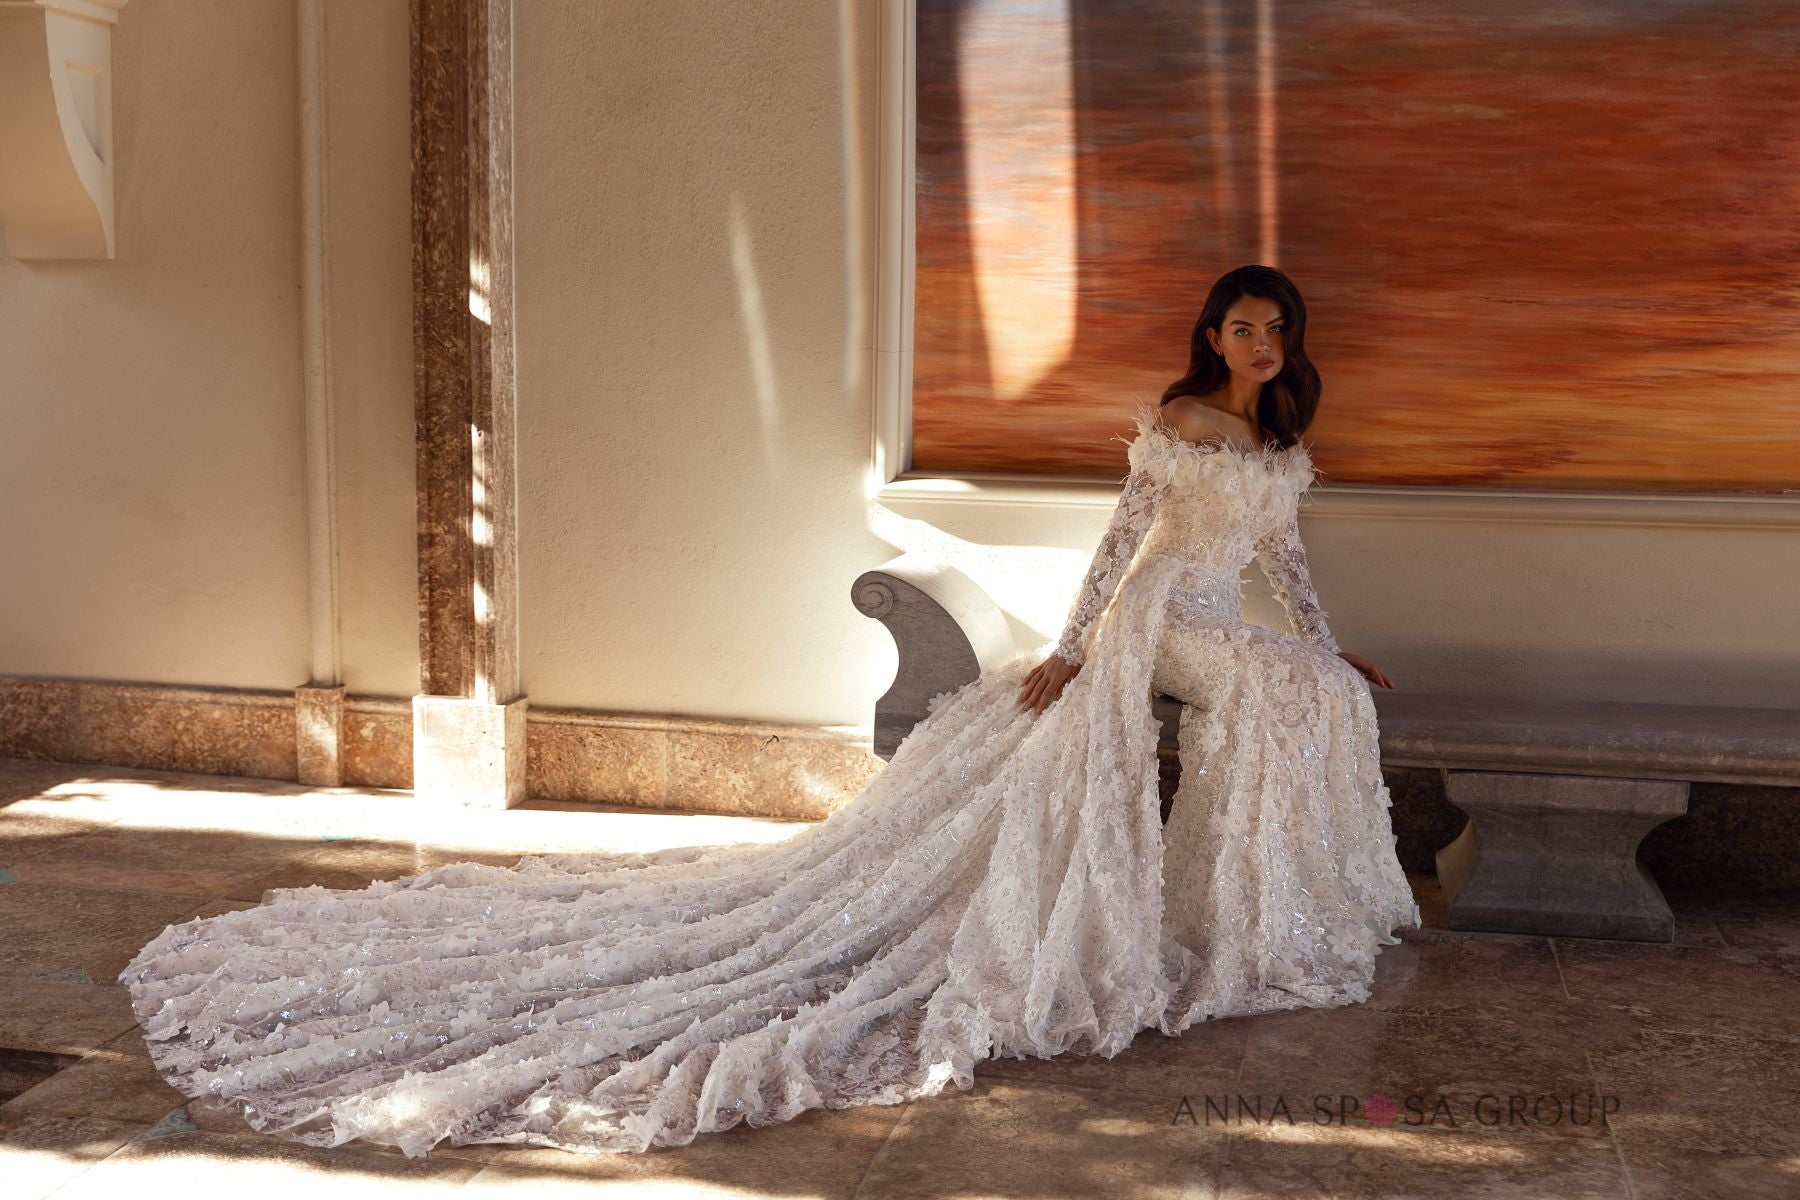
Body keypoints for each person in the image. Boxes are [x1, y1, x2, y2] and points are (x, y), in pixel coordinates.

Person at [118, 264, 1418, 1158]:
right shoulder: (1182, 423)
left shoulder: (1280, 445)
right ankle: (1263, 912)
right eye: (1245, 326)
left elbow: (1287, 571)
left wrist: (1336, 650)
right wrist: (1077, 653)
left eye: (1275, 331)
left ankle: (1280, 900)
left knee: (1317, 694)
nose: (1261, 344)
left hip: (1230, 622)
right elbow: (1122, 548)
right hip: (1158, 621)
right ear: (1215, 334)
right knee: (1281, 689)